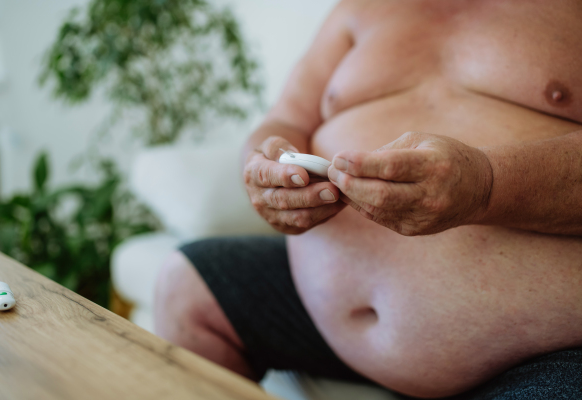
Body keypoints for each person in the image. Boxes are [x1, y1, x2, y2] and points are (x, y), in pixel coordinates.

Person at [153, 1, 582, 398]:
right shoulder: (357, 9)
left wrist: (485, 186)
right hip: (324, 321)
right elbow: (283, 119)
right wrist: (265, 171)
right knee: (186, 288)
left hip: (547, 349)